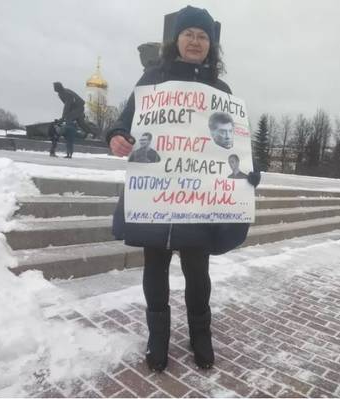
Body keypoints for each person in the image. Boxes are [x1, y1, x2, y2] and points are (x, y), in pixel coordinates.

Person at [106, 5, 260, 372]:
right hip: (156, 197)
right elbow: (123, 123)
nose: (195, 40)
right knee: (154, 269)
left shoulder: (220, 91)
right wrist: (115, 136)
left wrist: (250, 173)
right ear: (176, 40)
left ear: (212, 45)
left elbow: (234, 146)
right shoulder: (151, 82)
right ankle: (157, 336)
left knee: (197, 272)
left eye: (203, 36)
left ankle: (200, 334)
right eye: (189, 33)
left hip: (198, 201)